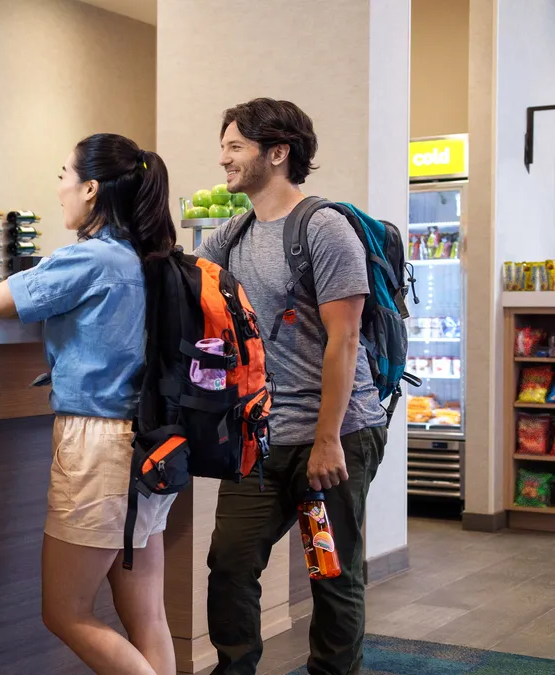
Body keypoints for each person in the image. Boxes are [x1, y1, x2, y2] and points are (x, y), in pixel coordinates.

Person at [194, 98, 388, 675]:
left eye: (235, 146)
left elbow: (344, 341)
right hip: (260, 437)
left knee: (330, 571)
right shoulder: (229, 237)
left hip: (334, 434)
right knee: (229, 562)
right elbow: (184, 290)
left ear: (277, 153)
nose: (223, 158)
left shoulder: (324, 229)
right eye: (224, 144)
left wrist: (327, 439)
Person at [0, 133, 178, 675]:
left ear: (92, 189)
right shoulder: (154, 257)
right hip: (154, 444)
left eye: (64, 177)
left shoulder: (90, 259)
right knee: (149, 618)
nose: (60, 190)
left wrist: (40, 271)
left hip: (98, 445)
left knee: (65, 613)